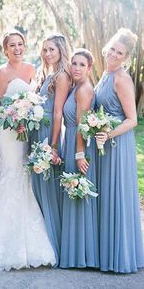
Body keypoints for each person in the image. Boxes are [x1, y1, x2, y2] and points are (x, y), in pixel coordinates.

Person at [0, 30, 56, 271]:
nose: (17, 48)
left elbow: (36, 99)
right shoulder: (1, 73)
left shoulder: (32, 69)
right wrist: (13, 118)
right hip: (8, 131)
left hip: (27, 130)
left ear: (24, 46)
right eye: (12, 45)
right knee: (11, 172)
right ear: (5, 49)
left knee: (25, 174)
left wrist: (27, 117)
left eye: (20, 44)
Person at [95, 28, 144, 273]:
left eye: (120, 52)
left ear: (126, 57)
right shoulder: (105, 72)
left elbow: (132, 119)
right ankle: (106, 252)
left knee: (116, 196)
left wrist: (108, 133)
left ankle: (119, 256)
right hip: (105, 142)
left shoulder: (121, 78)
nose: (114, 54)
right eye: (113, 48)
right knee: (105, 196)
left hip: (116, 143)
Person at [30, 33, 71, 265]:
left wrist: (53, 146)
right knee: (38, 185)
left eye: (52, 50)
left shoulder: (62, 76)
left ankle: (53, 243)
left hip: (48, 134)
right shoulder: (48, 74)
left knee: (47, 187)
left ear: (61, 51)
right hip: (37, 130)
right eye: (44, 50)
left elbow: (57, 113)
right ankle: (42, 240)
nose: (47, 54)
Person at [60, 48, 99, 269]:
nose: (76, 68)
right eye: (74, 63)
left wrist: (79, 154)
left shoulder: (84, 90)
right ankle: (74, 251)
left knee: (78, 192)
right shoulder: (75, 87)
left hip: (79, 145)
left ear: (89, 68)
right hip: (72, 142)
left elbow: (82, 126)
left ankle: (81, 254)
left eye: (82, 65)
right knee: (73, 193)